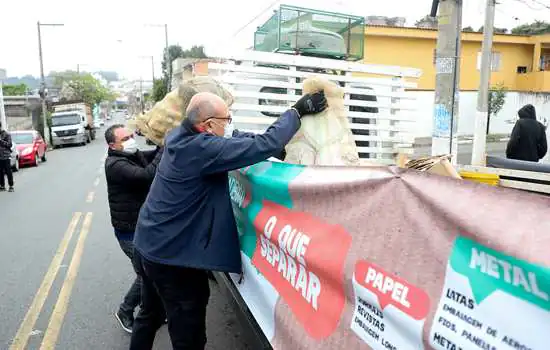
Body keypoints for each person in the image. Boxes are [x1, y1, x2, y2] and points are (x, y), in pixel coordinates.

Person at [130, 90, 327, 349]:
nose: (229, 122)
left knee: (149, 314)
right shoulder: (201, 148)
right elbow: (262, 145)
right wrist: (296, 112)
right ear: (208, 125)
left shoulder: (180, 135)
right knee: (188, 334)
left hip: (147, 246)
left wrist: (266, 142)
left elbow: (237, 140)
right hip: (172, 260)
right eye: (227, 118)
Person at [104, 124, 164, 333]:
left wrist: (161, 144)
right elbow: (146, 175)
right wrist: (164, 150)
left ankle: (153, 311)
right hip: (129, 232)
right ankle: (125, 310)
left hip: (141, 227)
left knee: (153, 271)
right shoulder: (115, 164)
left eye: (131, 135)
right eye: (125, 138)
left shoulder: (130, 155)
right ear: (112, 145)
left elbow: (150, 157)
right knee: (146, 274)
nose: (131, 140)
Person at [0, 122, 14, 192]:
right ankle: (2, 185)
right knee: (0, 172)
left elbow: (9, 144)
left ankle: (11, 186)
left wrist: (1, 141)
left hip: (6, 156)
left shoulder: (6, 135)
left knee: (8, 171)